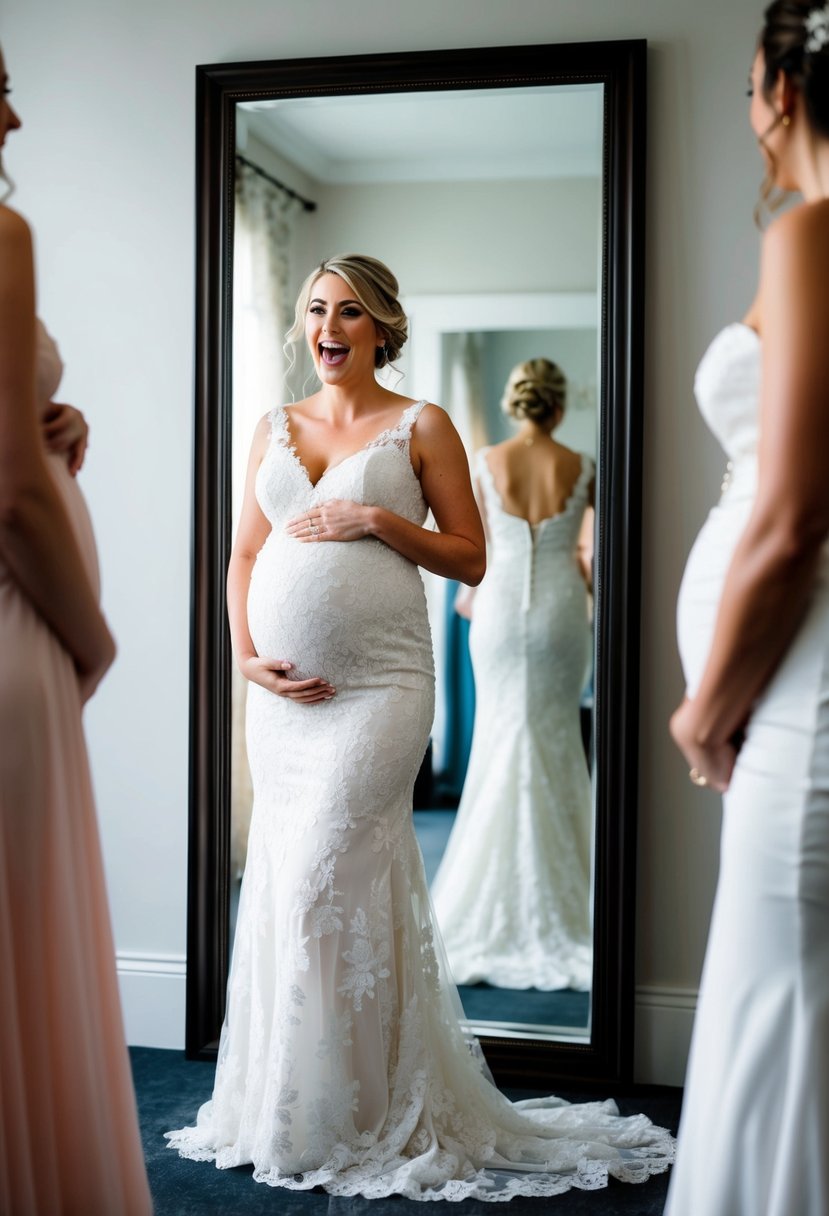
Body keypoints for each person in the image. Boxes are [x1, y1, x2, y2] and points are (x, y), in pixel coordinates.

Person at [166, 253, 674, 1201]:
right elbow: (243, 554)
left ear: (382, 329)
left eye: (349, 312)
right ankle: (298, 1103)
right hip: (279, 700)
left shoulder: (422, 424)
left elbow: (471, 559)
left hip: (383, 688)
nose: (329, 326)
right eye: (316, 309)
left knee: (326, 872)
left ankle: (364, 1111)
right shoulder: (270, 427)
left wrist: (370, 518)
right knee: (289, 885)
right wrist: (241, 653)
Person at [666, 4, 829, 1212]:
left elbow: (792, 517)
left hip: (799, 690)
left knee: (783, 1009)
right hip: (791, 680)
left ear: (781, 85)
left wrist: (706, 704)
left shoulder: (812, 233)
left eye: (744, 88)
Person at [0, 48, 152, 1216]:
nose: (9, 113)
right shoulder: (3, 239)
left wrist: (53, 416)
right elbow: (11, 491)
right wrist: (89, 639)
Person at [431, 358, 594, 992]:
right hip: (560, 613)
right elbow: (591, 555)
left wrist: (475, 598)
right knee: (553, 737)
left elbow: (480, 553)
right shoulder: (582, 465)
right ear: (557, 406)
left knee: (501, 737)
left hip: (496, 613)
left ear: (514, 404)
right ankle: (565, 898)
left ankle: (486, 900)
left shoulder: (484, 460)